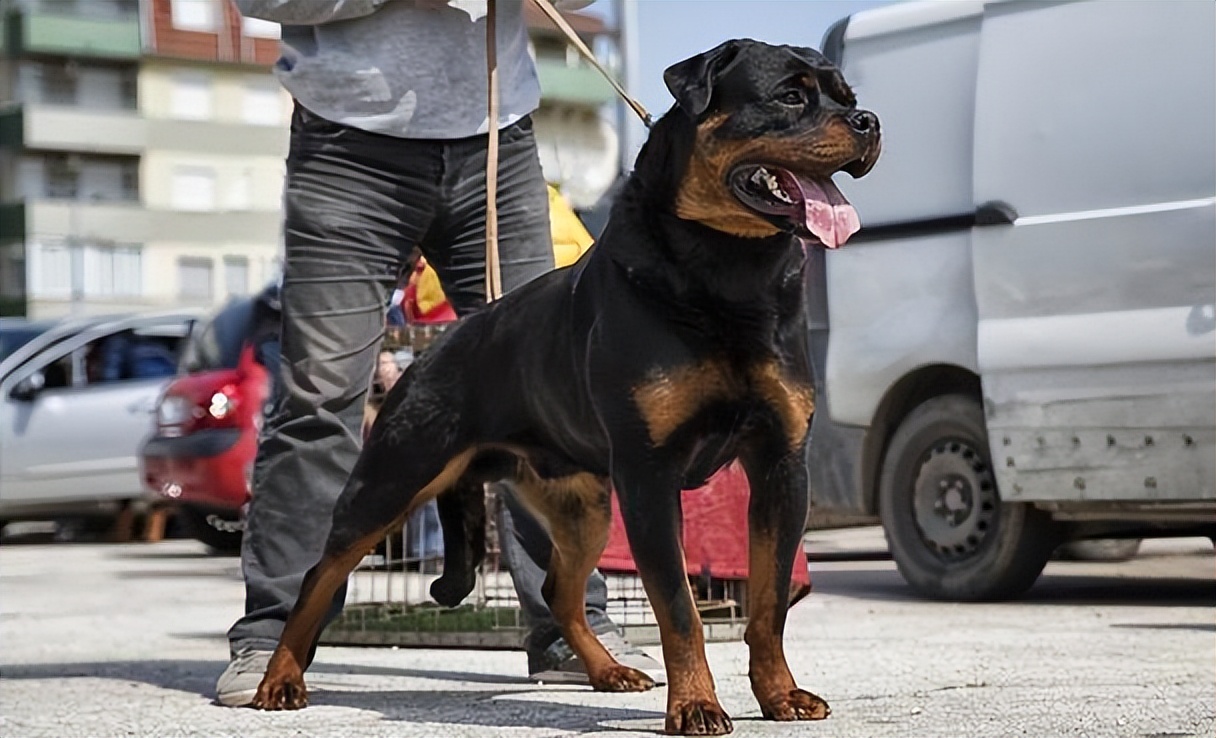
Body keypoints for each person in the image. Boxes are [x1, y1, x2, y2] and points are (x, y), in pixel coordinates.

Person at [217, 0, 663, 707]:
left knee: (550, 395)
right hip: (348, 148)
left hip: (498, 141)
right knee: (320, 396)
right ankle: (275, 639)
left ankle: (568, 632)